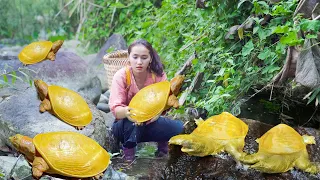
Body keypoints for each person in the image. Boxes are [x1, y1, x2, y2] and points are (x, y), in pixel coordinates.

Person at [109, 39, 184, 162]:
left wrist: (157, 113)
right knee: (133, 124)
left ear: (150, 59)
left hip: (150, 123)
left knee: (180, 129)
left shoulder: (158, 75)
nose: (139, 62)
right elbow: (116, 111)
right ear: (129, 58)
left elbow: (164, 103)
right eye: (135, 57)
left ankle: (163, 150)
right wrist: (128, 113)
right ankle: (129, 159)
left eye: (144, 57)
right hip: (125, 126)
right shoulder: (121, 76)